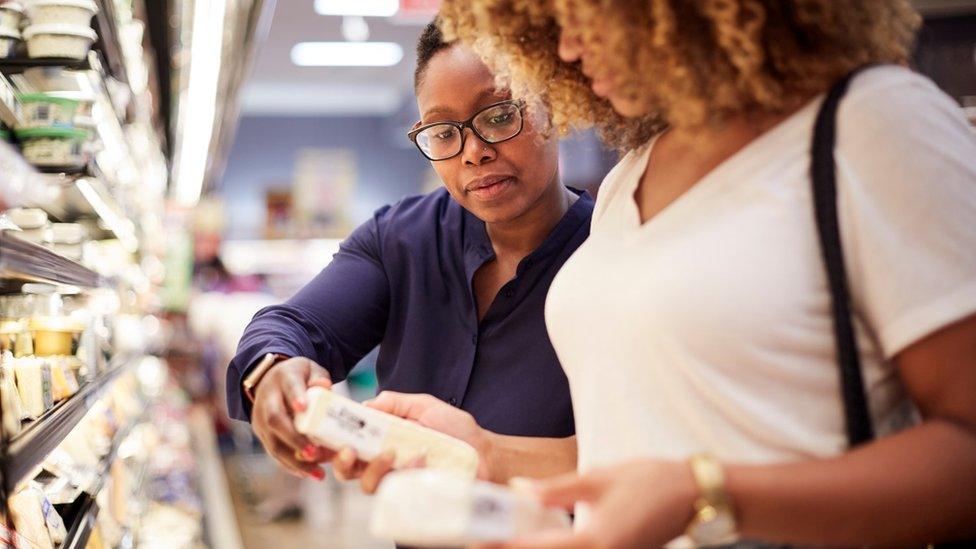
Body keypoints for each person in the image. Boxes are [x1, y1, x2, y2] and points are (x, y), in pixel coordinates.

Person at [396, 1, 975, 546]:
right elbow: (642, 446)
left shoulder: (873, 124)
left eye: (586, 12)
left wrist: (708, 493)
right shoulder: (631, 176)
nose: (568, 47)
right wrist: (485, 451)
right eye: (554, 20)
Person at [225, 21, 592, 493]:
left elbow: (650, 458)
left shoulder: (610, 253)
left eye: (500, 116)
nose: (473, 153)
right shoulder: (401, 239)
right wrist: (274, 371)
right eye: (443, 132)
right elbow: (292, 326)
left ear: (554, 107)